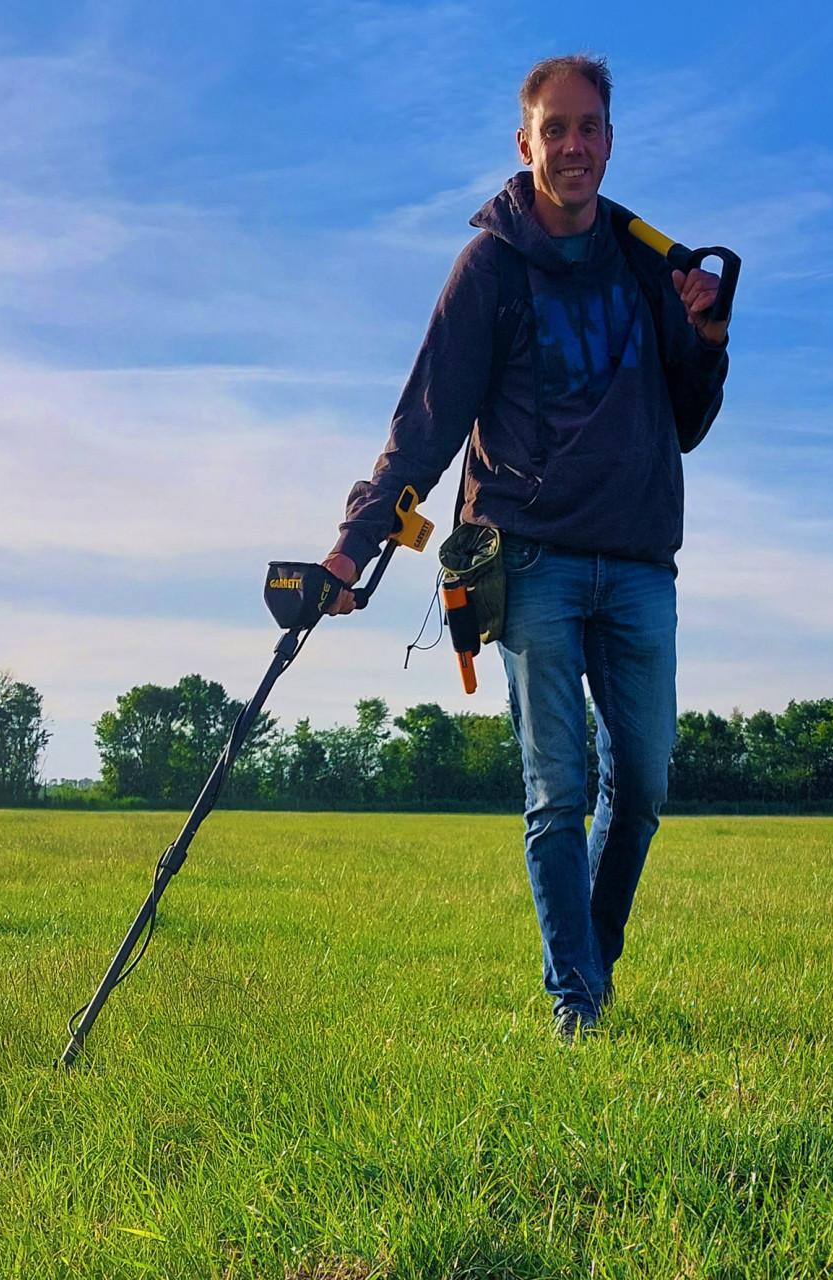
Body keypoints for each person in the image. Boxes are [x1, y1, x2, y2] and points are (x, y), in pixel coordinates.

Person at [321, 54, 730, 1038]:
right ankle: (576, 1003)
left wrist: (708, 340)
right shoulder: (489, 266)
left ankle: (587, 956)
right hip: (525, 554)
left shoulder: (648, 264)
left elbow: (686, 421)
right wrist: (351, 542)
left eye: (587, 127)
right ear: (524, 144)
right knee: (556, 785)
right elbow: (426, 417)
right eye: (554, 129)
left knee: (639, 785)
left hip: (638, 556)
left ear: (609, 138)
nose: (572, 145)